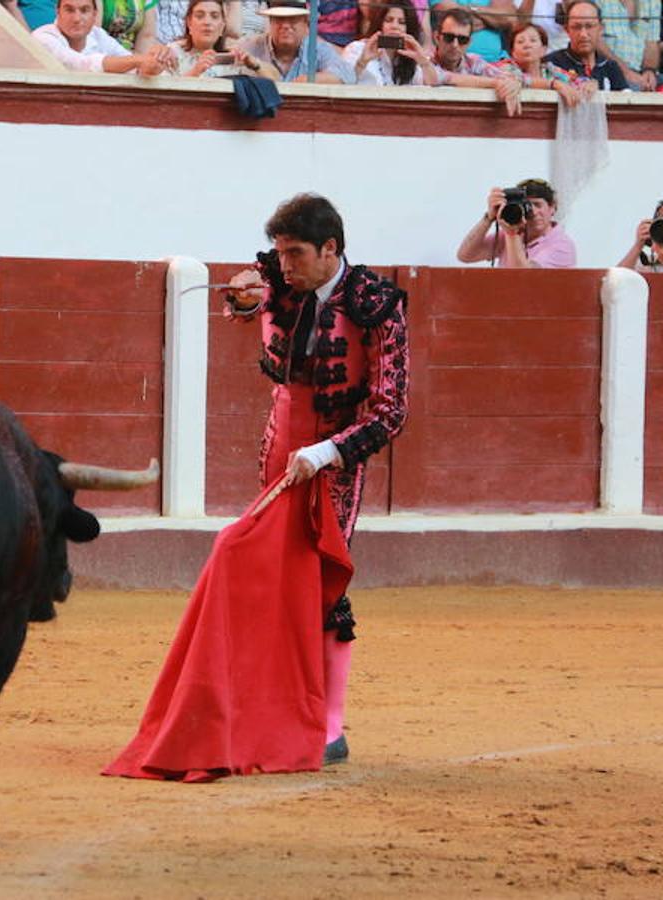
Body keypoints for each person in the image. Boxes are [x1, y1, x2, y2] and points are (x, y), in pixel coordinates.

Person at [222, 193, 410, 766]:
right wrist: (244, 298)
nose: (285, 266)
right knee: (269, 579)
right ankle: (269, 710)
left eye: (296, 254)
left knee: (323, 581)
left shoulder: (374, 305)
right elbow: (251, 295)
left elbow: (391, 410)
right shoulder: (279, 275)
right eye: (280, 254)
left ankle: (327, 724)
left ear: (331, 250)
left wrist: (329, 451)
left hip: (334, 460)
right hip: (280, 444)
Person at [457, 178, 577, 268]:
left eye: (537, 205)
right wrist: (489, 218)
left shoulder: (562, 246)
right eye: (527, 206)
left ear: (552, 208)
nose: (533, 212)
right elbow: (465, 255)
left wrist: (512, 234)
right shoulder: (508, 237)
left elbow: (523, 279)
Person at [34, 0, 174, 72]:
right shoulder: (44, 37)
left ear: (94, 15)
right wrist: (140, 60)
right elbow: (84, 64)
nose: (76, 18)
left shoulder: (98, 35)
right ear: (57, 12)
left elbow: (128, 62)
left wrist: (156, 60)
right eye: (69, 10)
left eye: (84, 10)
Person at [236, 0, 356, 82]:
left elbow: (347, 75)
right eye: (279, 19)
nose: (285, 26)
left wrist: (306, 80)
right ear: (270, 22)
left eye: (293, 20)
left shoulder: (318, 49)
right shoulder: (249, 47)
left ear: (305, 24)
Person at [431, 8, 524, 112]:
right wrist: (496, 83)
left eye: (462, 40)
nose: (455, 45)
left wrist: (513, 82)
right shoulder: (424, 61)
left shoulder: (473, 61)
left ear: (469, 42)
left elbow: (508, 76)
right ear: (437, 37)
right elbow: (447, 77)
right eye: (449, 37)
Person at [490, 20, 591, 104]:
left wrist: (589, 84)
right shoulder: (505, 66)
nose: (527, 45)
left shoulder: (549, 70)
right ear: (512, 52)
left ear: (543, 49)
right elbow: (520, 79)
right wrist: (553, 84)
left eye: (533, 40)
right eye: (520, 42)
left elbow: (576, 80)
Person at [341, 0, 436, 84]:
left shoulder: (413, 56)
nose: (394, 26)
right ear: (379, 24)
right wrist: (362, 62)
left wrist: (423, 61)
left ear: (408, 29)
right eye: (389, 20)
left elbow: (432, 86)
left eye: (401, 22)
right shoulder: (356, 49)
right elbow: (342, 84)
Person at [169, 0, 271, 76]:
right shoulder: (174, 52)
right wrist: (196, 71)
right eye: (200, 16)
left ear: (222, 27)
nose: (207, 22)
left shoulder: (231, 57)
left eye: (214, 16)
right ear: (189, 23)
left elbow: (276, 81)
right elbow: (164, 95)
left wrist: (254, 64)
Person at [545, 0, 631, 89]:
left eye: (589, 26)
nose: (583, 34)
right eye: (576, 27)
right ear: (567, 30)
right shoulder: (552, 63)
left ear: (601, 29)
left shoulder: (611, 67)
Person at [432, 0, 516, 61]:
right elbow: (448, 16)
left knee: (513, 83)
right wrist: (490, 20)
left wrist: (472, 8)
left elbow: (506, 18)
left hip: (497, 61)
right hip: (453, 63)